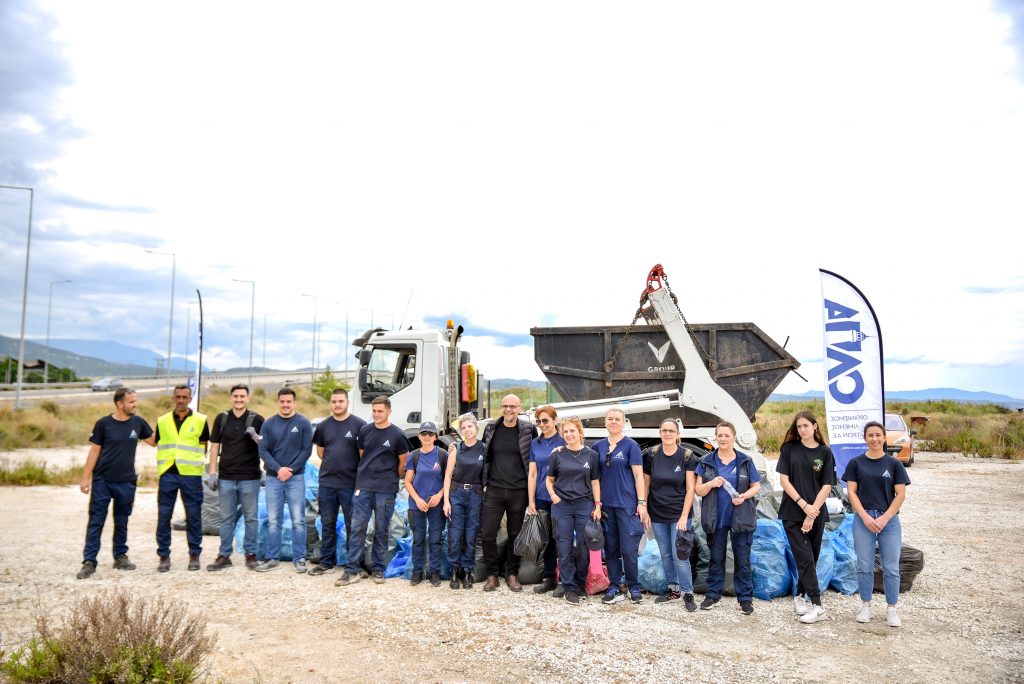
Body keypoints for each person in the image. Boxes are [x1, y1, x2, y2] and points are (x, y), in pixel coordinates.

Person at [76, 388, 156, 579]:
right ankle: (89, 561)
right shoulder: (104, 424)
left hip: (127, 481)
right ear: (120, 404)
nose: (135, 405)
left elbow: (154, 442)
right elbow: (94, 451)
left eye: (136, 401)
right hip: (103, 480)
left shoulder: (138, 423)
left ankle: (120, 557)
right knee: (96, 520)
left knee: (122, 520)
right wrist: (85, 478)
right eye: (131, 402)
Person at [336, 396, 411, 586]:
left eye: (380, 411)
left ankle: (378, 568)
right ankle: (352, 569)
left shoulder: (398, 435)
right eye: (374, 411)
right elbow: (363, 455)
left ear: (389, 412)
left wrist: (388, 478)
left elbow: (402, 463)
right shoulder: (365, 431)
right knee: (357, 528)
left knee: (381, 529)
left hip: (385, 489)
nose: (376, 414)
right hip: (363, 487)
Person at [843, 420, 911, 627]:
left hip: (888, 521)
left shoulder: (894, 464)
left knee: (891, 567)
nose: (874, 439)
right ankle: (866, 605)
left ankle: (892, 609)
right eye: (870, 435)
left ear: (884, 438)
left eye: (878, 435)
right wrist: (865, 516)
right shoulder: (856, 463)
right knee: (864, 565)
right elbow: (852, 493)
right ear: (865, 438)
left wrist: (884, 518)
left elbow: (900, 495)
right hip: (863, 519)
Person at [776, 411, 837, 623]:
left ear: (815, 426)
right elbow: (784, 481)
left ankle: (800, 595)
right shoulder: (789, 449)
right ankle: (818, 605)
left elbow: (827, 485)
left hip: (817, 513)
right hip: (792, 513)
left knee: (812, 557)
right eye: (799, 426)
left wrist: (813, 512)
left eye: (805, 426)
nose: (802, 429)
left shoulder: (825, 453)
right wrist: (804, 506)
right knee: (804, 557)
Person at [695, 421, 761, 615]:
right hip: (716, 517)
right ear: (715, 437)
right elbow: (698, 489)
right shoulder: (706, 461)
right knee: (716, 558)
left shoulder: (745, 460)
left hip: (741, 517)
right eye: (720, 435)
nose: (723, 439)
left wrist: (744, 496)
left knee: (742, 558)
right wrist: (711, 484)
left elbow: (756, 486)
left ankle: (745, 599)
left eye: (726, 435)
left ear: (733, 437)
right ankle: (713, 595)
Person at [480, 394, 538, 592]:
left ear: (519, 408)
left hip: (518, 490)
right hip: (494, 490)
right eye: (505, 406)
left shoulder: (529, 430)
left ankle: (511, 574)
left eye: (512, 406)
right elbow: (483, 454)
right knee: (488, 533)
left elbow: (537, 454)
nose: (508, 410)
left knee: (515, 534)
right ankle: (492, 575)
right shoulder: (491, 428)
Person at [308, 388, 367, 576]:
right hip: (327, 484)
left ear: (347, 402)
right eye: (334, 402)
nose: (337, 405)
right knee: (327, 523)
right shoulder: (323, 426)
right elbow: (320, 452)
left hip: (350, 484)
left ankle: (353, 564)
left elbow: (363, 455)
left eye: (341, 401)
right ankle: (327, 562)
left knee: (353, 525)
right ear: (330, 404)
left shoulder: (359, 425)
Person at [206, 384, 265, 571]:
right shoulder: (222, 418)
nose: (239, 400)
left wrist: (255, 436)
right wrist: (212, 473)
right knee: (226, 518)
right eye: (236, 396)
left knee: (251, 518)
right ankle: (224, 555)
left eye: (242, 396)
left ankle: (251, 554)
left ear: (248, 398)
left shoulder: (257, 419)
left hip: (250, 477)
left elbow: (265, 446)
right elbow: (214, 446)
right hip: (226, 478)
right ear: (231, 398)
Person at [592, 408, 647, 605]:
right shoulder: (598, 446)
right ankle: (615, 586)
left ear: (624, 422)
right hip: (607, 506)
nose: (613, 422)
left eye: (617, 419)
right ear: (604, 422)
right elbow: (585, 464)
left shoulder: (631, 446)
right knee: (611, 549)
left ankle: (633, 585)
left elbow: (639, 476)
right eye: (610, 419)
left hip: (626, 505)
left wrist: (641, 503)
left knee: (629, 549)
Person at [256, 387, 313, 573]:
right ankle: (273, 558)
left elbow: (306, 450)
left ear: (294, 403)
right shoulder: (269, 424)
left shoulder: (303, 423)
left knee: (298, 520)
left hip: (295, 478)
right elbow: (263, 450)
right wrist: (278, 469)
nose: (286, 405)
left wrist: (291, 470)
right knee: (273, 520)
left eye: (289, 401)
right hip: (273, 479)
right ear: (278, 402)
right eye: (282, 401)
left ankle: (300, 558)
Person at [546, 416, 601, 605]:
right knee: (564, 547)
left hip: (584, 504)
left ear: (580, 433)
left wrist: (598, 505)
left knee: (583, 548)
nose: (569, 434)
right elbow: (549, 479)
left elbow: (595, 482)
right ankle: (569, 587)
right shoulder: (557, 454)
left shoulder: (591, 455)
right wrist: (553, 496)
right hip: (562, 506)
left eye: (572, 431)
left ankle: (579, 584)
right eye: (566, 432)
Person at [644, 418, 698, 611]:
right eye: (664, 430)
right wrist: (644, 508)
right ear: (660, 433)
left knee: (680, 555)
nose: (667, 434)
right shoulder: (651, 455)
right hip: (657, 514)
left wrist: (684, 516)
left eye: (671, 431)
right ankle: (673, 589)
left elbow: (691, 489)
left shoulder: (687, 456)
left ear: (677, 434)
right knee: (666, 554)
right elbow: (646, 485)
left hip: (679, 515)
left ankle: (687, 592)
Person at [155, 384, 210, 572]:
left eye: (184, 397)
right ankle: (163, 555)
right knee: (164, 516)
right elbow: (158, 442)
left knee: (193, 516)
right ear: (173, 398)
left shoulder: (201, 420)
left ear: (189, 398)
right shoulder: (162, 421)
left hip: (191, 474)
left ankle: (194, 554)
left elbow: (204, 444)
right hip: (168, 473)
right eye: (177, 397)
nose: (180, 400)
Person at [443, 413, 486, 590]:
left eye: (470, 427)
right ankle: (454, 570)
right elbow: (447, 476)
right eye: (464, 428)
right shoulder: (456, 449)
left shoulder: (484, 448)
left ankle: (468, 570)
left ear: (476, 428)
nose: (467, 430)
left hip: (475, 494)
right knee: (455, 534)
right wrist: (446, 501)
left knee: (471, 534)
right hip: (456, 493)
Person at [526, 405, 564, 596]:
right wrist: (530, 499)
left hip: (561, 498)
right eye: (539, 422)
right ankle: (549, 578)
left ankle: (565, 579)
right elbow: (533, 473)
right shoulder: (535, 443)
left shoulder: (564, 439)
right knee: (547, 540)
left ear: (555, 420)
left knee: (562, 538)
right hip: (542, 496)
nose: (542, 425)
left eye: (546, 421)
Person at [405, 421, 446, 587]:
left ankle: (434, 572)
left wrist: (439, 495)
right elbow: (407, 482)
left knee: (435, 539)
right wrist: (417, 499)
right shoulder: (414, 456)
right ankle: (417, 572)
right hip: (417, 504)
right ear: (419, 436)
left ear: (435, 437)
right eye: (424, 434)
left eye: (430, 434)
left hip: (436, 503)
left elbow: (449, 479)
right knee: (418, 539)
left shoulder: (442, 454)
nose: (427, 437)